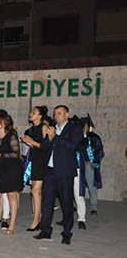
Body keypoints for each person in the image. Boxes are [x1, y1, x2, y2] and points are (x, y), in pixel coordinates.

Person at [34, 105, 83, 245]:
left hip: (65, 171)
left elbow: (72, 146)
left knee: (66, 202)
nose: (56, 115)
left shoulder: (74, 128)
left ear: (67, 114)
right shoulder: (51, 128)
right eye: (55, 113)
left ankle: (67, 232)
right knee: (47, 202)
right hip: (50, 170)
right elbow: (44, 147)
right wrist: (48, 138)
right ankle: (45, 230)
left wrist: (54, 137)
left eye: (59, 113)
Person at [0, 112, 23, 235]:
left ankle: (12, 223)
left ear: (4, 122)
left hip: (12, 169)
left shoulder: (12, 135)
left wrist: (0, 155)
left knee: (11, 195)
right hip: (0, 169)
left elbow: (16, 153)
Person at [21, 106, 50, 231]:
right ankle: (37, 218)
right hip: (34, 160)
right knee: (35, 192)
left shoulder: (44, 127)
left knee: (35, 191)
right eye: (31, 112)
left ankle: (37, 220)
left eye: (34, 113)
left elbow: (45, 146)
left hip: (42, 161)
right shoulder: (31, 129)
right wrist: (28, 142)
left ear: (40, 116)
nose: (31, 114)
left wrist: (31, 142)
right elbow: (34, 145)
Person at [78, 115, 104, 217]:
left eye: (83, 125)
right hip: (78, 164)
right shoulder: (78, 136)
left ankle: (93, 207)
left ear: (88, 126)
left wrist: (94, 162)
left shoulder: (94, 138)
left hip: (89, 165)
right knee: (78, 186)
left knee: (91, 186)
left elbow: (99, 152)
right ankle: (76, 205)